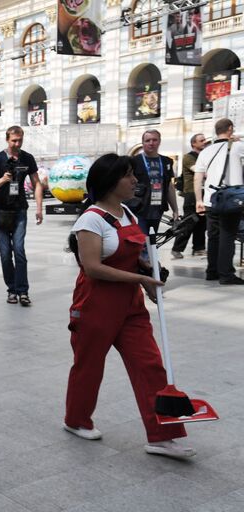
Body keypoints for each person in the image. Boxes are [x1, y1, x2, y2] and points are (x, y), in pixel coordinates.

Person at [65, 153, 195, 458]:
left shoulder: (129, 215)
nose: (135, 180)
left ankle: (163, 435)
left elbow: (136, 257)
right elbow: (92, 267)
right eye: (128, 175)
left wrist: (148, 273)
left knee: (150, 366)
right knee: (89, 367)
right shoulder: (91, 220)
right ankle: (76, 419)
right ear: (110, 181)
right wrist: (140, 279)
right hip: (95, 304)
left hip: (131, 307)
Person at [0, 125, 44, 306]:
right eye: (14, 141)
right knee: (5, 253)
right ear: (7, 139)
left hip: (19, 210)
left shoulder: (27, 158)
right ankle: (12, 290)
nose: (17, 144)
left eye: (20, 140)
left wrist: (39, 208)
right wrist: (3, 179)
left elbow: (37, 184)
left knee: (19, 250)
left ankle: (23, 291)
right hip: (0, 211)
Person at [194, 118, 244, 284]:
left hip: (211, 199)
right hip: (231, 199)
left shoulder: (206, 151)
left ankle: (212, 271)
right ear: (230, 129)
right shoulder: (238, 147)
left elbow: (198, 178)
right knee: (228, 235)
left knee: (213, 236)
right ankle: (226, 274)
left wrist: (198, 200)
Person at [129, 130, 179, 238]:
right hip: (138, 209)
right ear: (143, 143)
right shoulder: (133, 161)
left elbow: (169, 187)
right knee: (142, 241)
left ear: (159, 141)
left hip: (157, 209)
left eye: (154, 140)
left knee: (152, 241)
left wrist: (175, 210)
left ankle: (150, 254)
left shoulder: (166, 162)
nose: (151, 143)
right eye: (147, 140)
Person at [171, 133, 207, 258]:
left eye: (204, 140)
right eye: (201, 140)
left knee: (202, 222)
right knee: (189, 222)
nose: (204, 142)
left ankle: (199, 248)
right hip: (191, 193)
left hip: (203, 192)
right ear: (194, 144)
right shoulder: (188, 157)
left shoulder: (204, 156)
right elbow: (200, 171)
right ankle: (177, 248)